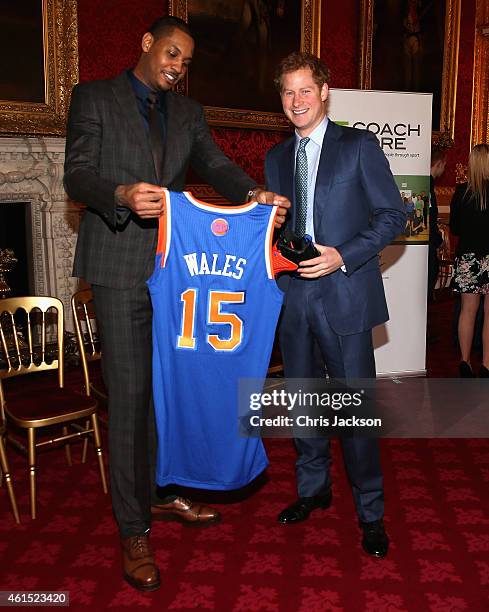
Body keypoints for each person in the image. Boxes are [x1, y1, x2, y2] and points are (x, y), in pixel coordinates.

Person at [64, 16, 289, 592]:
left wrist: (253, 194)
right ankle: (133, 526)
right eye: (171, 54)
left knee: (170, 386)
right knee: (133, 393)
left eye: (185, 62)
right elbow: (77, 175)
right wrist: (118, 194)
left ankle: (162, 491)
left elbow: (213, 163)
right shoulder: (94, 97)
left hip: (178, 273)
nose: (176, 67)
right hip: (117, 267)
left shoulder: (187, 113)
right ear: (146, 44)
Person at [265, 52, 406, 558]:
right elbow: (273, 230)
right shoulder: (276, 158)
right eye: (288, 92)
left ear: (324, 91)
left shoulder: (359, 146)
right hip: (293, 298)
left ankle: (371, 512)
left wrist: (341, 256)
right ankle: (313, 489)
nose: (297, 101)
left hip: (345, 296)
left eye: (305, 90)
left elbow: (396, 214)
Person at [449, 143, 489, 378]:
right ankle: (486, 363)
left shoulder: (461, 192)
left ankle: (464, 361)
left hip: (468, 258)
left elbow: (454, 228)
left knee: (468, 311)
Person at [428, 146, 447, 300]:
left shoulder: (427, 184)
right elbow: (430, 218)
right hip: (428, 244)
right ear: (439, 163)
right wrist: (438, 240)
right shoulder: (427, 185)